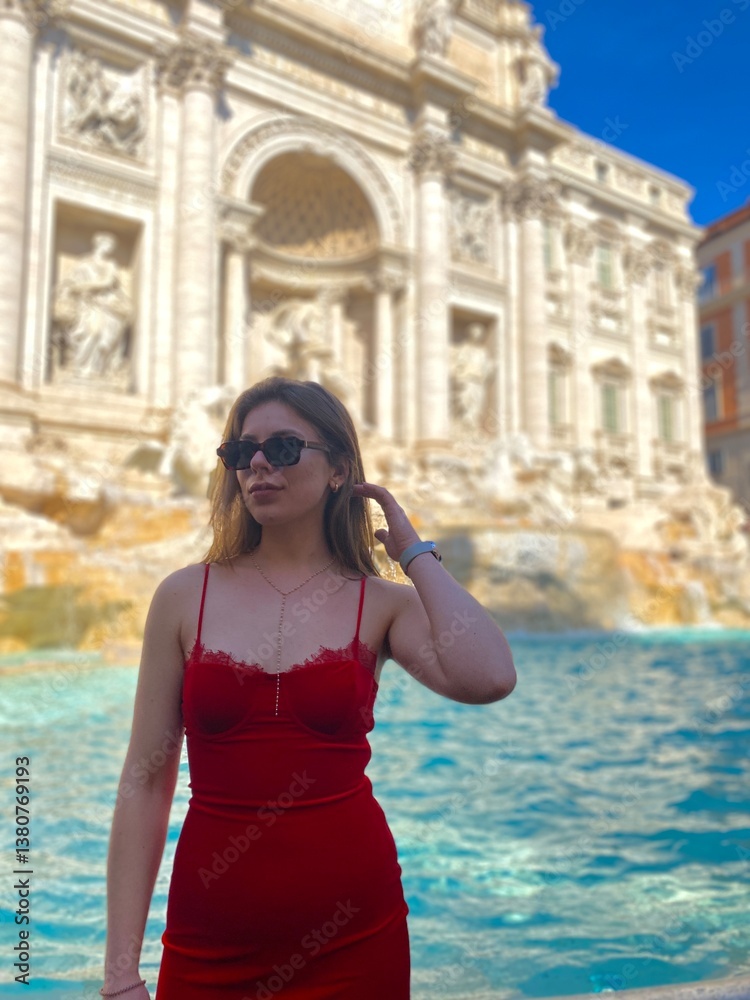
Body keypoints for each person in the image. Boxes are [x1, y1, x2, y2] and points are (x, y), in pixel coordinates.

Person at [101, 376, 517, 999]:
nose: (259, 465)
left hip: (356, 935)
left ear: (338, 470)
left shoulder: (380, 603)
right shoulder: (185, 595)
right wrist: (119, 973)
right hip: (207, 939)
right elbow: (145, 779)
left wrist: (413, 552)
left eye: (285, 448)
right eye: (242, 453)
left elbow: (489, 677)